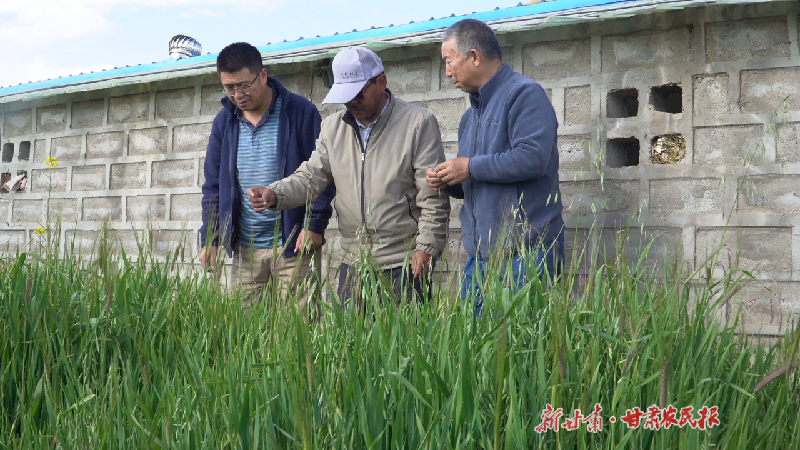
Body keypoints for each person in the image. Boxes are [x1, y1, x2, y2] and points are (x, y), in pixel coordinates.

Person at [247, 46, 449, 305]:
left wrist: (426, 248)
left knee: (406, 344)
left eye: (358, 93)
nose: (351, 102)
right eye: (345, 95)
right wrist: (275, 193)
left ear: (381, 82)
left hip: (404, 261)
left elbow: (433, 195)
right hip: (352, 263)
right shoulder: (333, 127)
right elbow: (310, 177)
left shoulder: (418, 123)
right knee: (351, 344)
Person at [427, 18, 565, 313]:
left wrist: (469, 167)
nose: (447, 72)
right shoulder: (470, 116)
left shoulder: (524, 94)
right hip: (480, 258)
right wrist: (449, 181)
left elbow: (532, 158)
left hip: (526, 255)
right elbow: (477, 180)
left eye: (449, 61)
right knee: (475, 350)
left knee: (524, 349)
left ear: (474, 56)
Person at [199, 42, 335, 311]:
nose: (237, 94)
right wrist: (210, 238)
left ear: (263, 75)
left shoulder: (300, 112)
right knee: (246, 331)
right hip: (245, 248)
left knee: (299, 332)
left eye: (244, 85)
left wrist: (315, 224)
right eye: (229, 87)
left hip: (295, 244)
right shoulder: (224, 122)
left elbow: (323, 171)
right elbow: (213, 186)